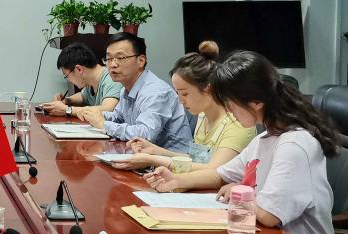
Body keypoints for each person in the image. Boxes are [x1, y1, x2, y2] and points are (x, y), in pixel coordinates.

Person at [145, 50, 338, 234]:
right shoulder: (263, 139)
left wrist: (241, 191)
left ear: (256, 102)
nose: (227, 110)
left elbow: (269, 215)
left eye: (229, 103)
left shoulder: (294, 145)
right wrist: (176, 181)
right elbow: (221, 175)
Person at [107, 41, 255, 172]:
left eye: (184, 93)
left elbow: (214, 171)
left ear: (208, 89)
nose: (180, 101)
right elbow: (196, 160)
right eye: (177, 93)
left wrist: (153, 159)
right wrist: (155, 150)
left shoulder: (237, 122)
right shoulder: (203, 116)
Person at [75, 32, 192, 152]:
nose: (113, 65)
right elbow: (118, 118)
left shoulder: (155, 92)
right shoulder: (125, 89)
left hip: (174, 159)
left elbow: (145, 134)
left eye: (120, 58)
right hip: (142, 155)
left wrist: (103, 124)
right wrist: (94, 114)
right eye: (109, 59)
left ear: (141, 61)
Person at [40, 42, 122, 117]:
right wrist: (65, 101)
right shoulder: (90, 82)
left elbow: (108, 110)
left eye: (67, 76)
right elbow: (83, 96)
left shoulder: (112, 79)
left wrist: (67, 110)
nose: (68, 80)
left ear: (79, 69)